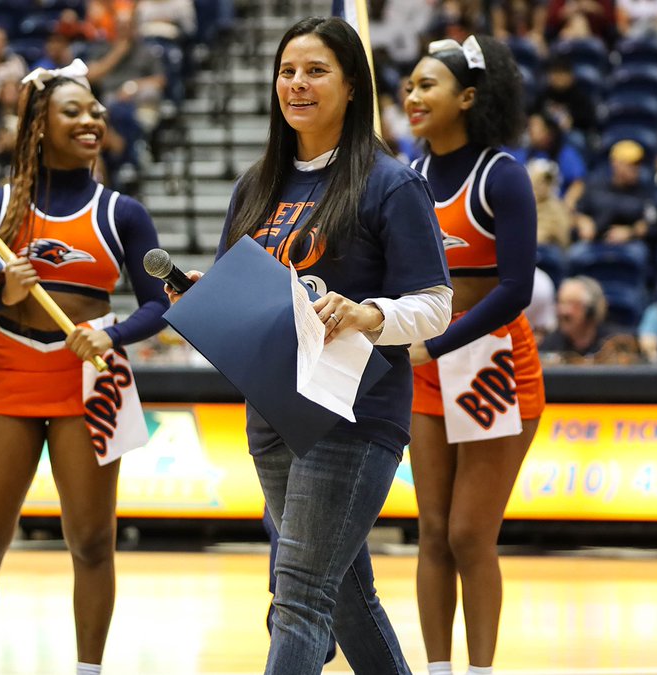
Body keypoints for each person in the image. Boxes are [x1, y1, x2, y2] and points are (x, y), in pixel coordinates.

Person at [168, 17, 453, 674]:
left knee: (296, 594)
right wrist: (204, 301)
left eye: (316, 70)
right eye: (288, 71)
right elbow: (245, 296)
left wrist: (367, 314)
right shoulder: (256, 186)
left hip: (354, 415)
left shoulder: (391, 183)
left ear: (353, 86)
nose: (296, 83)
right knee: (344, 597)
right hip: (273, 413)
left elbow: (436, 305)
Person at [0, 61, 169, 675]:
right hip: (8, 371)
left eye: (95, 110)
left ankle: (88, 670)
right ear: (39, 127)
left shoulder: (124, 213)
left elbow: (164, 301)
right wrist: (3, 297)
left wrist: (111, 332)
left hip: (92, 378)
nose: (91, 119)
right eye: (73, 111)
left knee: (93, 543)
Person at [403, 35, 542, 675]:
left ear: (467, 97)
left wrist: (435, 344)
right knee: (431, 533)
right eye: (408, 85)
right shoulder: (410, 177)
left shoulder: (502, 174)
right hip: (427, 366)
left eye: (427, 85)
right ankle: (436, 669)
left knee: (468, 535)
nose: (412, 95)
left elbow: (515, 290)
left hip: (492, 364)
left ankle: (480, 670)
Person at [539, 275, 640, 363]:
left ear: (590, 310)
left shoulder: (616, 343)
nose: (563, 311)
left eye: (572, 304)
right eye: (561, 303)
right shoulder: (549, 345)